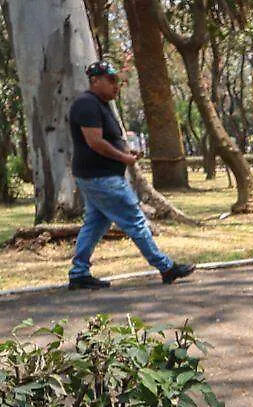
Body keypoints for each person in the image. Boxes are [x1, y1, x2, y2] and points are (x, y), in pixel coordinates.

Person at [67, 60, 194, 290]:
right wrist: (122, 158)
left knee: (95, 224)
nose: (116, 85)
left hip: (97, 176)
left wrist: (127, 152)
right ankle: (166, 267)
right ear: (95, 81)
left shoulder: (101, 105)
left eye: (117, 81)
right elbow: (95, 142)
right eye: (111, 80)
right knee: (135, 221)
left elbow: (108, 139)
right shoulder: (87, 104)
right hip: (101, 177)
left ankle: (79, 273)